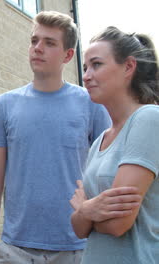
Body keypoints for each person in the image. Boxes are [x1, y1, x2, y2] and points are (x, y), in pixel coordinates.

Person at [0, 11, 112, 264]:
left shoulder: (92, 104)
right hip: (15, 249)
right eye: (34, 41)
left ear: (68, 55)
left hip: (77, 248)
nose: (38, 48)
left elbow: (105, 175)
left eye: (49, 43)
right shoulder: (4, 105)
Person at [70, 26, 159, 263]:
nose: (86, 75)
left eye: (96, 64)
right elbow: (77, 229)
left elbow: (118, 224)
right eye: (85, 67)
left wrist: (84, 210)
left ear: (129, 67)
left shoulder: (149, 119)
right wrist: (89, 210)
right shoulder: (100, 139)